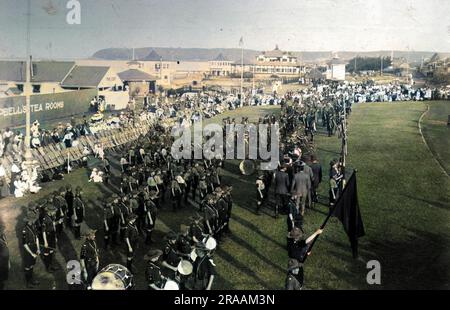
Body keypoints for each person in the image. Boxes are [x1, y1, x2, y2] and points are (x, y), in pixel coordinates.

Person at [22, 212, 40, 288]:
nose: (35, 220)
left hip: (34, 247)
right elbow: (24, 244)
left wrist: (38, 248)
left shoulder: (33, 226)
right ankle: (28, 282)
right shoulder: (24, 229)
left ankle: (31, 279)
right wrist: (32, 253)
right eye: (33, 219)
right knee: (28, 266)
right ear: (30, 220)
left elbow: (36, 238)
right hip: (28, 250)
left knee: (32, 264)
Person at [41, 204, 60, 272]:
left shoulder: (52, 217)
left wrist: (55, 237)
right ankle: (48, 267)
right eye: (53, 211)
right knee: (47, 253)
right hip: (47, 236)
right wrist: (45, 241)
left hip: (52, 235)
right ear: (49, 211)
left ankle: (52, 265)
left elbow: (53, 226)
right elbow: (43, 231)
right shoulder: (45, 219)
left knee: (51, 251)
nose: (54, 212)